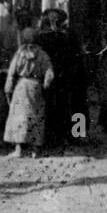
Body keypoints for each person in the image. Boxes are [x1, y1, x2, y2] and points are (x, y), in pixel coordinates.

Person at [36, 8, 89, 151]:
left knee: (55, 106)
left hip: (56, 77)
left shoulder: (41, 38)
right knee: (73, 105)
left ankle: (57, 137)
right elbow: (79, 54)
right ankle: (75, 135)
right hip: (68, 76)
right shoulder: (69, 35)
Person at [3, 28, 54, 158]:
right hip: (35, 87)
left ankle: (19, 149)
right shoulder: (42, 54)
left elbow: (11, 73)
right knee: (36, 116)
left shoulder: (19, 54)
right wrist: (46, 84)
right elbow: (49, 72)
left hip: (21, 87)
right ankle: (35, 150)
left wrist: (8, 89)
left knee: (19, 117)